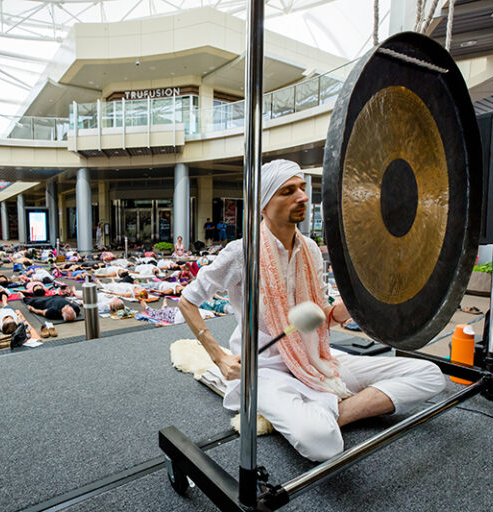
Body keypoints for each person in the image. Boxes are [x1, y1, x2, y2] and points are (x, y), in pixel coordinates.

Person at [178, 159, 445, 462]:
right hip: (264, 370)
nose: (303, 197)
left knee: (429, 374)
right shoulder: (242, 252)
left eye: (302, 188)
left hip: (315, 357)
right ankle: (328, 411)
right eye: (288, 191)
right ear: (263, 204)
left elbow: (318, 315)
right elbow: (188, 301)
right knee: (323, 444)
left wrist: (346, 311)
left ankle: (335, 412)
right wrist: (219, 356)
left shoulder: (311, 250)